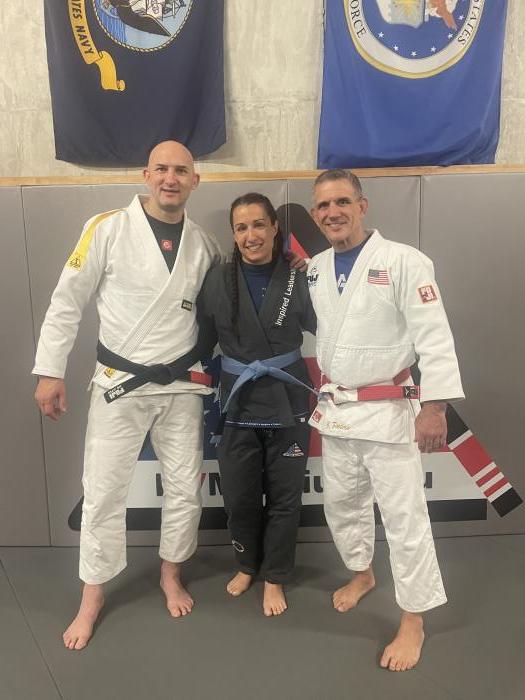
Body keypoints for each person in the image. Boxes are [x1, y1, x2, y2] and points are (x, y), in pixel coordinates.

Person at [33, 141, 222, 650]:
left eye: (180, 170)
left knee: (184, 487)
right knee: (103, 490)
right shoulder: (106, 228)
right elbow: (67, 300)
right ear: (145, 174)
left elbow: (214, 317)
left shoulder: (205, 245)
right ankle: (93, 593)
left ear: (195, 180)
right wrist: (49, 371)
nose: (170, 178)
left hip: (182, 385)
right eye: (161, 169)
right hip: (120, 383)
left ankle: (170, 573)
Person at [307, 169, 464, 671]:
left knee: (403, 518)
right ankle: (362, 573)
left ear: (362, 205)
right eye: (323, 205)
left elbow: (434, 335)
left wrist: (434, 408)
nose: (333, 212)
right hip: (337, 410)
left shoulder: (404, 261)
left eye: (342, 201)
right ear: (315, 214)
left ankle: (413, 618)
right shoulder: (314, 269)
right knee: (342, 504)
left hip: (389, 409)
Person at [197, 193, 317, 616]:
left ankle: (275, 576)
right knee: (239, 495)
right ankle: (247, 564)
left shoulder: (300, 276)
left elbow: (331, 327)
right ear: (233, 234)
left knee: (285, 496)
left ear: (274, 227)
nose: (251, 235)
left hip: (288, 399)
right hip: (238, 400)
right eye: (242, 227)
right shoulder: (217, 279)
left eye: (259, 224)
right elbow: (200, 338)